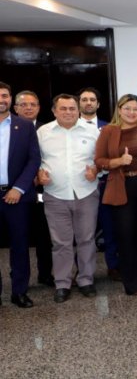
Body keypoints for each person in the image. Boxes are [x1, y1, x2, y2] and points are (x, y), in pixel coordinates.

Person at [94, 94, 137, 296]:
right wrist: (118, 161)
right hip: (121, 187)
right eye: (127, 108)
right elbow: (99, 160)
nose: (132, 112)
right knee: (126, 237)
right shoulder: (108, 131)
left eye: (135, 109)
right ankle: (132, 283)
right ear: (119, 110)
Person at [37, 94, 100, 302]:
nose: (68, 112)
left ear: (78, 110)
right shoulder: (43, 132)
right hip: (55, 194)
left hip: (86, 193)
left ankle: (86, 280)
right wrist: (38, 175)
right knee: (60, 243)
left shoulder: (92, 131)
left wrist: (96, 171)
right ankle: (62, 283)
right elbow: (34, 159)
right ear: (54, 111)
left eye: (72, 108)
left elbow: (100, 159)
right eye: (63, 108)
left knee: (86, 239)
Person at [0, 81, 40, 308]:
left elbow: (34, 159)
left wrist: (19, 188)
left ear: (10, 99)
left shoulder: (24, 126)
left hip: (17, 196)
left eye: (5, 95)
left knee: (20, 245)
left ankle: (19, 291)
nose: (1, 100)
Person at [78, 87, 120, 281]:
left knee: (110, 227)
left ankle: (114, 266)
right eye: (84, 99)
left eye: (92, 100)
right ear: (79, 103)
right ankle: (82, 271)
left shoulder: (109, 128)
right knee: (83, 231)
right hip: (79, 186)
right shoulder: (70, 128)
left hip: (105, 184)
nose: (88, 103)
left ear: (98, 104)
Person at [13, 90, 54, 286]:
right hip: (17, 190)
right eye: (23, 105)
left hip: (42, 191)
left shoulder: (48, 130)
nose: (28, 108)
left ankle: (45, 274)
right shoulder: (8, 129)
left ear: (39, 108)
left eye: (33, 105)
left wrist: (41, 175)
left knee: (44, 235)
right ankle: (20, 279)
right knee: (19, 236)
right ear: (16, 108)